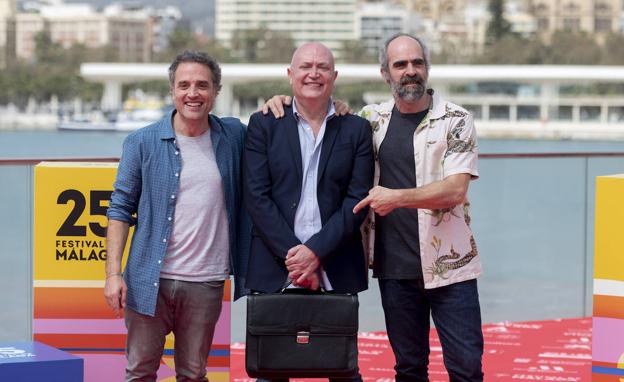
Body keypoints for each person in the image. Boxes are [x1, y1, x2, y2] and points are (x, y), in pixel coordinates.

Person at [263, 33, 484, 382]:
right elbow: (321, 110)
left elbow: (455, 190)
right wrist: (284, 101)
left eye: (417, 63)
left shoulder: (456, 119)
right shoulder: (370, 120)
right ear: (385, 73)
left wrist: (395, 197)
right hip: (394, 268)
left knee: (467, 369)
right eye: (400, 65)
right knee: (409, 369)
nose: (410, 71)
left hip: (450, 267)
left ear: (427, 69)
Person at [104, 50, 250, 382]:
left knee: (193, 373)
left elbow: (277, 131)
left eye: (202, 85)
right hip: (147, 281)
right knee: (140, 371)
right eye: (184, 85)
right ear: (173, 91)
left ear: (216, 92)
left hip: (206, 281)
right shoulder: (142, 142)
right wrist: (113, 274)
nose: (193, 93)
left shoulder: (234, 137)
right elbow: (120, 207)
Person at [244, 42, 374, 382]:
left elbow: (357, 200)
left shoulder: (356, 129)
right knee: (271, 369)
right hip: (276, 265)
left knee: (342, 368)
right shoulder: (263, 124)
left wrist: (315, 252)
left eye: (321, 67)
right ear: (290, 75)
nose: (313, 73)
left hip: (336, 263)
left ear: (334, 76)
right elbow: (256, 197)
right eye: (305, 66)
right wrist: (297, 260)